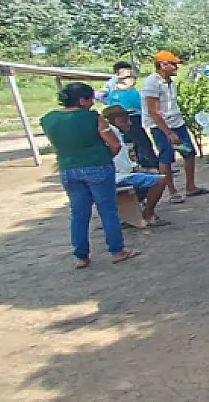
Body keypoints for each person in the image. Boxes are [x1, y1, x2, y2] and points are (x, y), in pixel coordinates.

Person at [40, 83, 141, 268]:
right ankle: (117, 251)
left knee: (79, 212)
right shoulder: (93, 118)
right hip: (98, 166)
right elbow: (115, 145)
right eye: (90, 99)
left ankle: (81, 256)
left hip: (67, 168)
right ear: (82, 100)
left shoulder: (49, 119)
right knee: (108, 210)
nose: (92, 103)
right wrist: (103, 158)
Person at [142, 50, 209, 203]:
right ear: (163, 65)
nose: (176, 68)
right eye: (173, 64)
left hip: (176, 122)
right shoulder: (152, 83)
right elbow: (154, 111)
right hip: (160, 126)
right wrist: (168, 132)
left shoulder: (169, 82)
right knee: (166, 158)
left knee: (189, 153)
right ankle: (172, 191)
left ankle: (190, 186)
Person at [102, 105, 170, 227]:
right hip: (118, 175)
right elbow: (120, 162)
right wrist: (136, 169)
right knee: (160, 180)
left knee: (152, 174)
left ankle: (131, 212)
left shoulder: (115, 133)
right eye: (123, 120)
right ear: (114, 121)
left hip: (118, 173)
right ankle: (148, 213)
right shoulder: (112, 133)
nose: (128, 122)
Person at [107, 65, 157, 168]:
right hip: (131, 119)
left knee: (136, 143)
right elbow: (141, 105)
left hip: (124, 120)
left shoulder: (114, 93)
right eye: (129, 77)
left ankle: (143, 162)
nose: (133, 79)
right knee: (144, 143)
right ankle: (156, 165)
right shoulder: (129, 92)